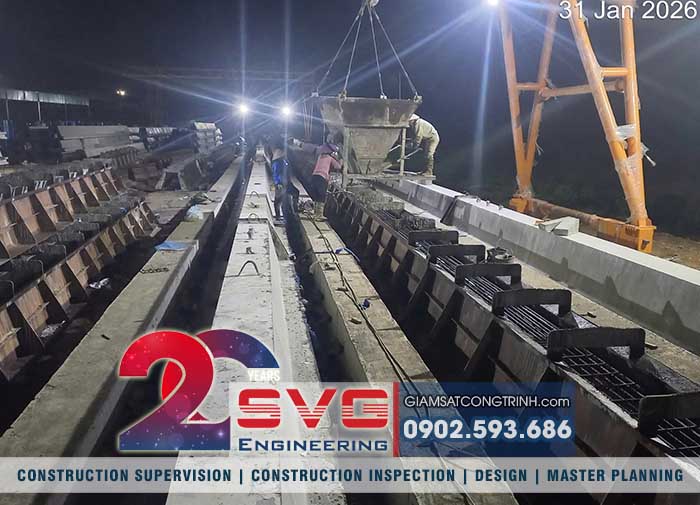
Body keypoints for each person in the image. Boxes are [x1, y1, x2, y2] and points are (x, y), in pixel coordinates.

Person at [299, 135, 342, 219]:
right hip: (322, 177)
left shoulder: (320, 157)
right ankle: (319, 215)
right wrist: (340, 160)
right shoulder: (330, 158)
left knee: (316, 195)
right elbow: (338, 167)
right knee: (321, 196)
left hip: (314, 176)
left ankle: (315, 213)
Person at [267, 137, 299, 222]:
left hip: (286, 182)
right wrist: (278, 183)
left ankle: (295, 211)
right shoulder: (277, 162)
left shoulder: (282, 160)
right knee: (278, 200)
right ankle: (278, 217)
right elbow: (276, 173)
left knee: (295, 192)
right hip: (281, 184)